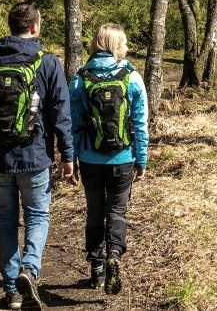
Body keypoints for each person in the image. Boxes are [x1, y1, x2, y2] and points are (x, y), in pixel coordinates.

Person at [0, 1, 75, 309]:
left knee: (5, 219)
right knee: (38, 216)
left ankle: (11, 290)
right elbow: (61, 114)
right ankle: (30, 268)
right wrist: (67, 155)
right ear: (35, 27)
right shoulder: (48, 62)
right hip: (36, 158)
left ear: (11, 26)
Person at [69, 23, 149, 295]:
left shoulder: (81, 78)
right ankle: (115, 253)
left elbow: (74, 125)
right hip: (123, 159)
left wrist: (72, 158)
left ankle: (96, 270)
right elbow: (140, 123)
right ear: (118, 45)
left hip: (91, 159)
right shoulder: (132, 77)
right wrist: (141, 159)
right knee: (116, 212)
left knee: (94, 212)